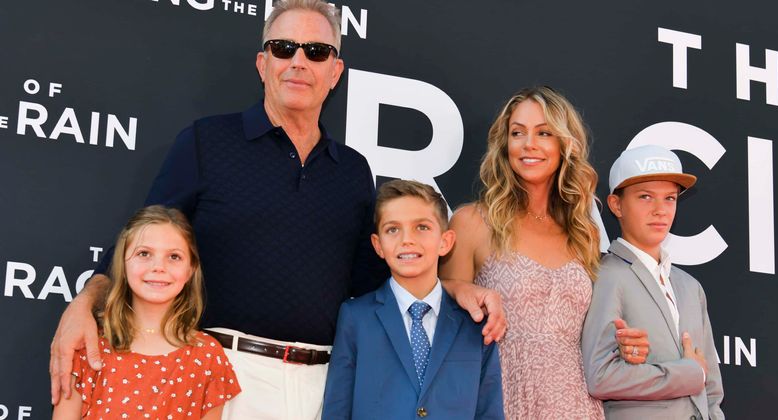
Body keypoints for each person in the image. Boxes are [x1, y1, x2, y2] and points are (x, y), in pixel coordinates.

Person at [49, 1, 505, 418]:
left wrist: (450, 288)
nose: (299, 62)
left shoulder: (352, 171)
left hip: (324, 384)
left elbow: (375, 282)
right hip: (224, 376)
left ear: (335, 72)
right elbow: (140, 243)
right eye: (284, 48)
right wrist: (83, 304)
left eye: (316, 52)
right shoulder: (207, 143)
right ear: (263, 63)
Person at [440, 86, 649, 419]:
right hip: (500, 396)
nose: (529, 144)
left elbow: (591, 334)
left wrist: (621, 346)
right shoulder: (473, 222)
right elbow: (434, 309)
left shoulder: (585, 233)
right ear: (504, 144)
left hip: (577, 403)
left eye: (544, 133)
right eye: (517, 133)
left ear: (565, 144)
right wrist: (460, 288)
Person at [322, 180, 504, 420]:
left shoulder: (475, 324)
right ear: (378, 245)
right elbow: (337, 409)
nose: (406, 239)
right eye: (393, 229)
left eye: (422, 227)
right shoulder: (356, 318)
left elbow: (489, 412)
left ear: (445, 242)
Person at [52, 205, 240, 420]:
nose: (159, 267)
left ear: (191, 270)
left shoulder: (208, 356)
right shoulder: (90, 346)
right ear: (122, 263)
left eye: (174, 256)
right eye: (144, 253)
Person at [581, 145, 724, 419]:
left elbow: (712, 391)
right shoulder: (604, 275)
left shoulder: (690, 287)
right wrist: (689, 373)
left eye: (670, 198)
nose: (660, 210)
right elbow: (600, 376)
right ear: (616, 205)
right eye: (645, 197)